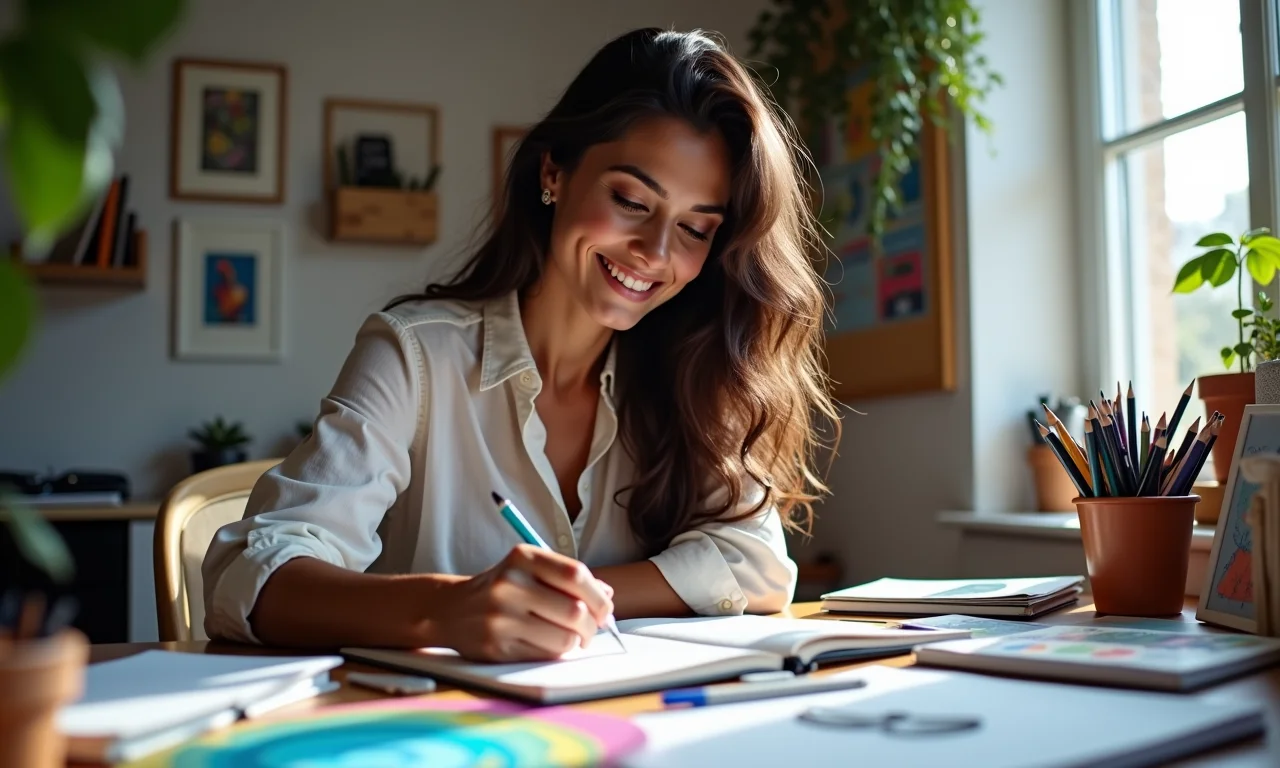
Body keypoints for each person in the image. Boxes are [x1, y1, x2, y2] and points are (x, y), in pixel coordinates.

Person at [202, 27, 840, 662]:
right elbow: (249, 574)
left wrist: (570, 600)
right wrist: (449, 608)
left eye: (696, 229)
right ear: (554, 172)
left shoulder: (692, 371)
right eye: (630, 200)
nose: (655, 252)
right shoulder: (415, 357)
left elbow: (754, 559)